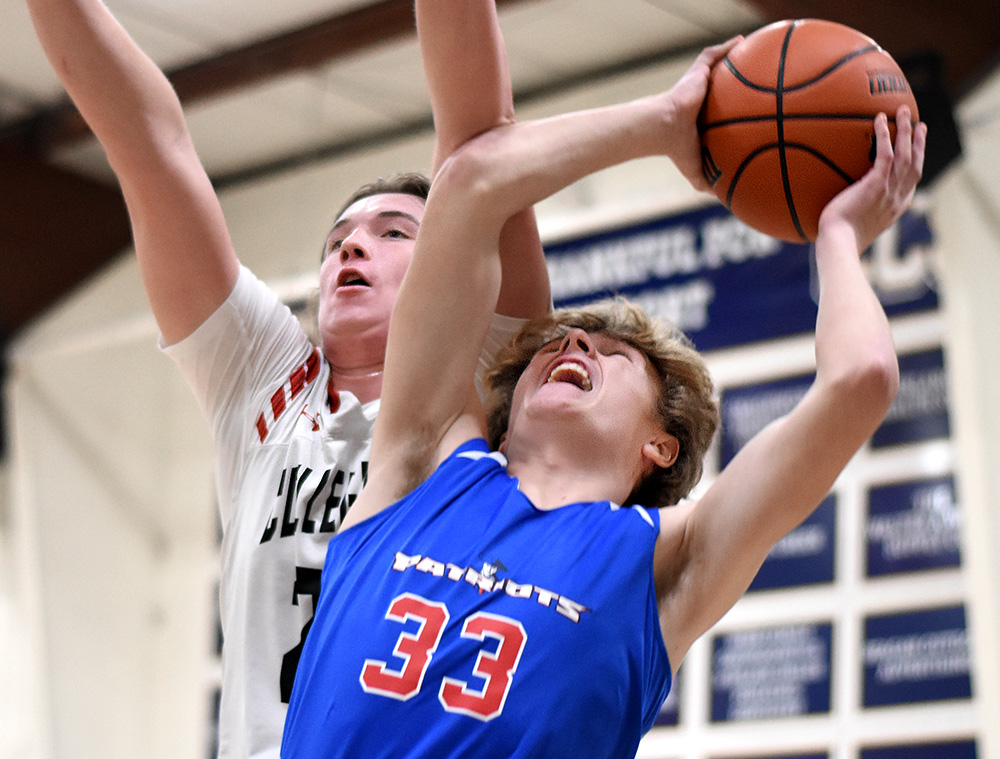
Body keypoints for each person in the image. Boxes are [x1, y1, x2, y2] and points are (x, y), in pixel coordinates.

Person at [280, 27, 926, 757]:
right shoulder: (421, 461)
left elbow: (859, 380)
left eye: (613, 354)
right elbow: (467, 183)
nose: (575, 344)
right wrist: (664, 125)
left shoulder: (668, 562)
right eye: (557, 345)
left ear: (662, 442)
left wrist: (838, 236)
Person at [25, 0, 551, 756]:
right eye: (337, 241)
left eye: (392, 232)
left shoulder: (484, 372)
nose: (351, 249)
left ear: (451, 264)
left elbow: (479, 144)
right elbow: (149, 143)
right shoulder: (263, 380)